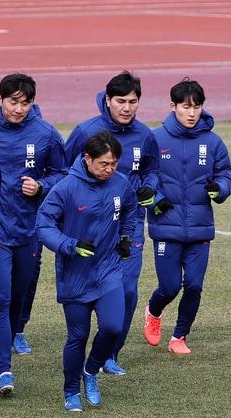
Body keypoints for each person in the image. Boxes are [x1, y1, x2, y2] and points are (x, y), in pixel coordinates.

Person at [0, 73, 68, 395]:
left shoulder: (45, 134)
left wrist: (42, 185)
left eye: (24, 103)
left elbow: (65, 174)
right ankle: (2, 368)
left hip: (29, 229)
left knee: (17, 296)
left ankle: (7, 340)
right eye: (12, 101)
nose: (18, 109)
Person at [63, 71, 160, 376]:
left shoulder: (145, 135)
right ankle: (80, 347)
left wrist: (148, 186)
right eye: (121, 101)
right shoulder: (85, 131)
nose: (127, 107)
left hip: (127, 228)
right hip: (88, 231)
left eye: (133, 101)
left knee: (128, 291)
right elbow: (67, 171)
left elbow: (152, 169)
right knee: (85, 295)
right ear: (108, 100)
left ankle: (110, 354)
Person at [37, 132, 139, 412]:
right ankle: (71, 391)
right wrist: (69, 245)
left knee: (113, 327)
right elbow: (44, 225)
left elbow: (131, 210)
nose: (110, 169)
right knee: (78, 336)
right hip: (75, 275)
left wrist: (127, 237)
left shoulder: (120, 183)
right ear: (87, 159)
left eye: (114, 163)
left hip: (108, 271)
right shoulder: (66, 188)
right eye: (104, 163)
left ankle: (91, 371)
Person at [142, 79, 231, 354]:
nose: (192, 113)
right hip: (165, 227)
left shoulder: (213, 142)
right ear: (173, 106)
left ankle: (179, 336)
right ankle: (153, 312)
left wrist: (220, 189)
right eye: (186, 106)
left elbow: (225, 174)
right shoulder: (155, 139)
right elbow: (146, 177)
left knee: (194, 285)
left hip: (200, 228)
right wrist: (156, 200)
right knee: (169, 287)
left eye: (197, 106)